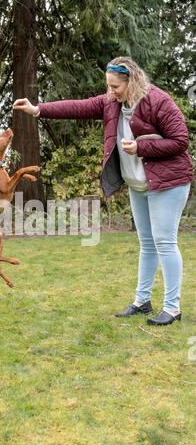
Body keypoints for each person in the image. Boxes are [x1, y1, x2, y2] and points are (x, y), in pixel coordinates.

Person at [13, 56, 194, 326]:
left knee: (164, 242)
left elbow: (181, 141)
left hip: (169, 182)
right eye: (108, 87)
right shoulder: (112, 103)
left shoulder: (158, 101)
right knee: (146, 243)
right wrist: (37, 109)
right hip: (138, 184)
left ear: (131, 81)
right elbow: (78, 107)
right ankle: (142, 301)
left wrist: (141, 148)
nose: (110, 92)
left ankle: (172, 308)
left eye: (115, 87)